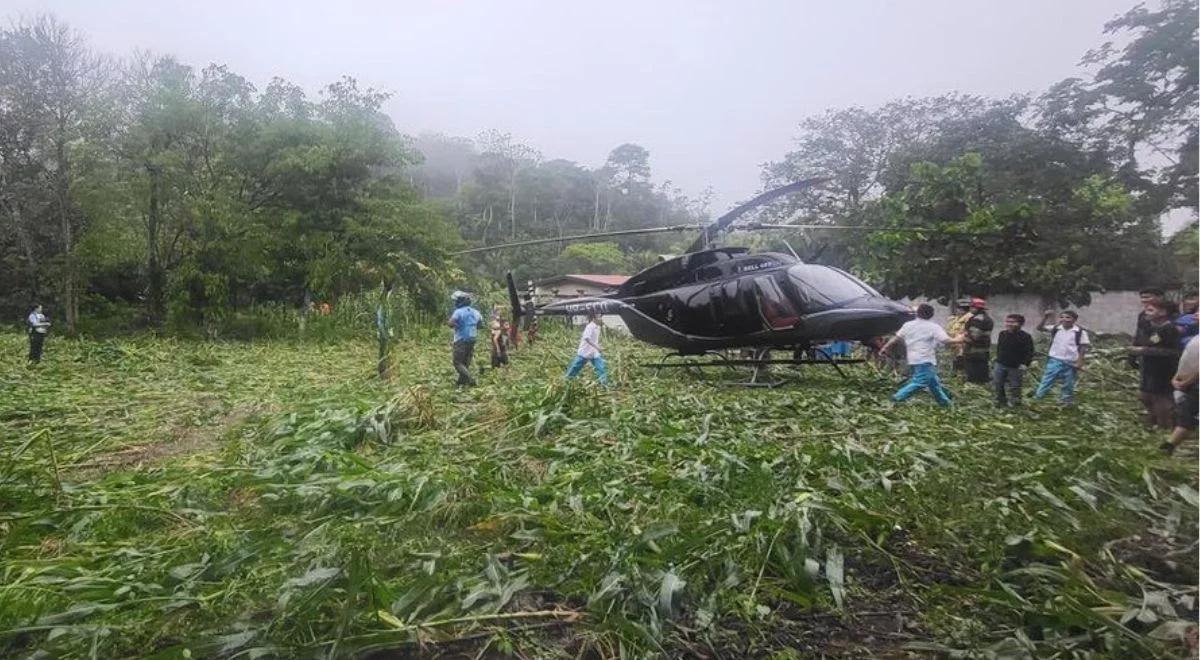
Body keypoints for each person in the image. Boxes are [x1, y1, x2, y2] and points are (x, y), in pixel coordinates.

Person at [881, 303, 966, 406]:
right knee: (920, 382)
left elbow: (896, 338)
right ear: (931, 315)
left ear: (917, 314)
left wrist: (885, 347)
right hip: (925, 359)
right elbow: (946, 341)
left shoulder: (908, 325)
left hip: (913, 359)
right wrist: (960, 339)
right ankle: (896, 398)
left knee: (934, 384)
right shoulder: (933, 327)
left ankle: (946, 404)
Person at [1129, 299, 1182, 429]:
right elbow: (1151, 342)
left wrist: (1144, 350)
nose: (1146, 312)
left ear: (1163, 312)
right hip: (1149, 369)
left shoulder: (1170, 329)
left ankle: (1165, 428)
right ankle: (1154, 422)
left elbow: (1173, 352)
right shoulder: (1153, 327)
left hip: (1164, 370)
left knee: (1161, 401)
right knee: (1145, 396)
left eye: (1151, 310)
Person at [1034, 310, 1090, 405]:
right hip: (1055, 359)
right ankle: (1038, 398)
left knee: (1068, 382)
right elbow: (1040, 328)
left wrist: (1079, 362)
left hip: (1070, 361)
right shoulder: (1056, 328)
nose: (1065, 319)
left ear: (1074, 319)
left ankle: (1066, 401)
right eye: (1062, 317)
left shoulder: (1080, 332)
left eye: (1068, 317)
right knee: (1047, 379)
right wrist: (1045, 317)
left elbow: (1083, 347)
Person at [1162, 335, 1199, 454]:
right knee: (1184, 413)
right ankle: (1170, 444)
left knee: (1186, 415)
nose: (1196, 315)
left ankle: (1169, 445)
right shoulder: (1196, 338)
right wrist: (1176, 377)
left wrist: (1186, 382)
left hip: (1194, 385)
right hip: (1187, 384)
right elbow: (1185, 360)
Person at [993, 313, 1034, 408]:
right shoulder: (1002, 334)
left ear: (1020, 324)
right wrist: (997, 358)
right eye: (1007, 322)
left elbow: (1029, 352)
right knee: (998, 383)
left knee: (1015, 385)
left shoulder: (1025, 337)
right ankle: (1001, 401)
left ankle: (1016, 402)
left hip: (1016, 366)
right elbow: (1000, 348)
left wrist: (1025, 364)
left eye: (1013, 322)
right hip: (1001, 364)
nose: (1009, 324)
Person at [447, 291, 482, 387]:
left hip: (460, 339)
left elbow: (450, 323)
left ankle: (470, 379)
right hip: (472, 339)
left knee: (457, 362)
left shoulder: (458, 312)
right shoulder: (476, 312)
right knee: (465, 362)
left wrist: (458, 326)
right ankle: (460, 382)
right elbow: (480, 325)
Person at [565, 312, 608, 385]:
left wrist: (598, 346)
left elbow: (595, 339)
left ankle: (604, 383)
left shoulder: (598, 327)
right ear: (594, 318)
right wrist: (597, 347)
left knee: (601, 368)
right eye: (599, 317)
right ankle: (567, 380)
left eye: (601, 317)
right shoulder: (590, 326)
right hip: (585, 351)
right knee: (575, 367)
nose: (601, 319)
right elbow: (587, 338)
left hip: (594, 352)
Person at [963, 298, 994, 384]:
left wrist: (962, 339)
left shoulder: (977, 319)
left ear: (976, 308)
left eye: (971, 307)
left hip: (974, 352)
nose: (970, 308)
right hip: (983, 351)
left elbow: (974, 336)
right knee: (982, 373)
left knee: (973, 376)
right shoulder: (987, 318)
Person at [946, 299, 972, 375]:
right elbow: (949, 329)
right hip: (955, 345)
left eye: (959, 309)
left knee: (962, 365)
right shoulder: (955, 318)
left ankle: (961, 378)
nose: (958, 310)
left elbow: (966, 332)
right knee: (956, 364)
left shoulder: (969, 318)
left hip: (963, 346)